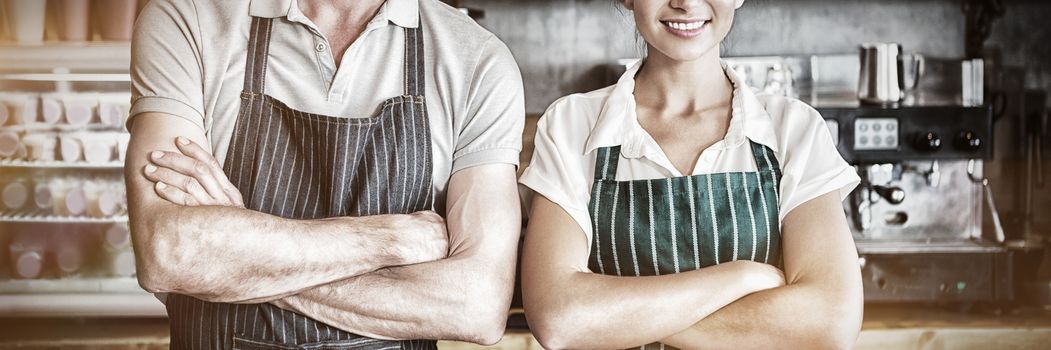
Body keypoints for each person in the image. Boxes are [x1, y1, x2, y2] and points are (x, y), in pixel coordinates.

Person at [125, 0, 524, 348]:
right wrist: (390, 240)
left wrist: (234, 261)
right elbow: (170, 253)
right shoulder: (189, 18)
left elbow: (477, 307)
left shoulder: (476, 61)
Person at [518, 0, 864, 349]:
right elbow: (558, 317)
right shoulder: (570, 126)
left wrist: (610, 317)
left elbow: (830, 321)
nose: (684, 3)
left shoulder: (793, 129)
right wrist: (741, 277)